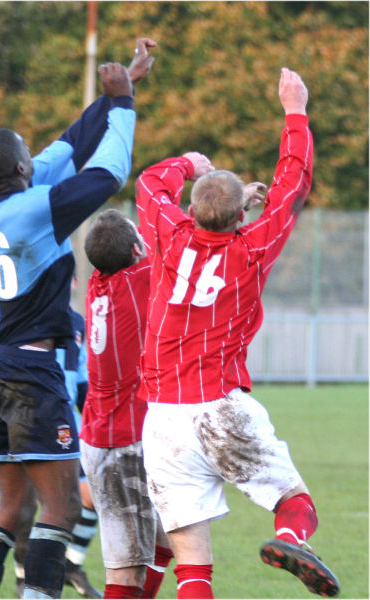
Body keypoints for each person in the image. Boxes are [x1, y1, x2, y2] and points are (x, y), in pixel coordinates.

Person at [0, 37, 156, 600]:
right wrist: (123, 108)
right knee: (63, 506)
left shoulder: (3, 199)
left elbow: (68, 148)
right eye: (28, 151)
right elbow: (109, 173)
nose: (35, 154)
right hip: (32, 373)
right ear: (21, 167)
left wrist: (119, 93)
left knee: (12, 506)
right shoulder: (31, 210)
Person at [135, 68, 340, 599]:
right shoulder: (249, 249)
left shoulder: (166, 235)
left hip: (162, 420)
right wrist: (295, 110)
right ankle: (292, 538)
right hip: (221, 405)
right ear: (239, 214)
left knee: (193, 568)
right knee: (295, 502)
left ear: (192, 211)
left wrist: (189, 165)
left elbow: (148, 186)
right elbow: (292, 184)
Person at [80, 209, 173, 599]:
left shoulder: (97, 283)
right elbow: (178, 244)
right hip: (122, 444)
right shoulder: (137, 280)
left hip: (102, 435)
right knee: (126, 571)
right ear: (136, 250)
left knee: (166, 541)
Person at [12, 299, 101, 600]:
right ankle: (23, 576)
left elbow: (82, 378)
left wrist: (92, 417)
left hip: (70, 425)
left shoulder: (78, 323)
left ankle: (71, 565)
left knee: (92, 496)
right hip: (29, 422)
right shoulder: (19, 313)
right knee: (27, 503)